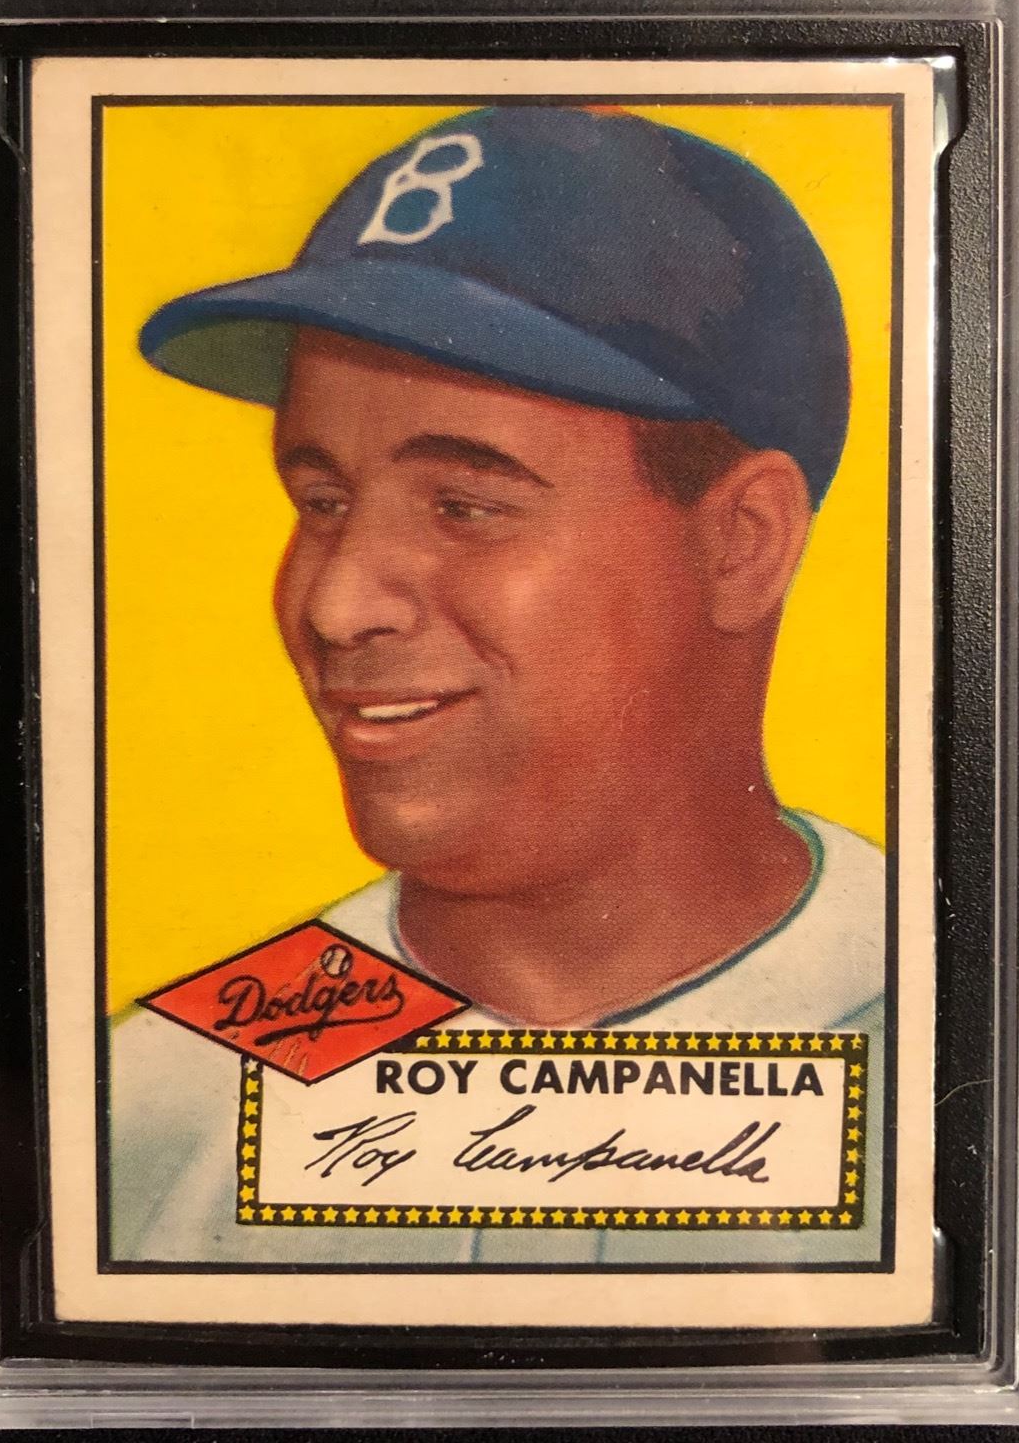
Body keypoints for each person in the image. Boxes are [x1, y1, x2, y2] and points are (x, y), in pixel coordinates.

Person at [110, 104, 884, 1265]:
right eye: (321, 501)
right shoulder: (155, 1100)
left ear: (742, 544)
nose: (335, 604)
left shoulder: (961, 1033)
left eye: (465, 506)